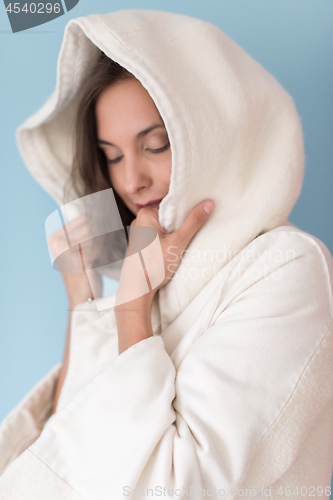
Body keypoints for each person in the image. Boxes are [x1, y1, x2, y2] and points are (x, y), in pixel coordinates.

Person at [0, 9, 332, 500]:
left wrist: (132, 310)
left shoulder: (287, 270)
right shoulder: (142, 270)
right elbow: (64, 459)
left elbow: (176, 488)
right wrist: (86, 307)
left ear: (212, 132)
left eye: (155, 144)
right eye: (112, 156)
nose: (131, 180)